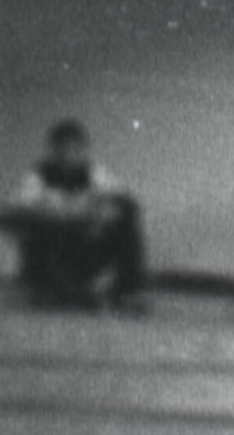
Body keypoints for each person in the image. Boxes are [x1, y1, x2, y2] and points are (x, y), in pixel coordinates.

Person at [9, 119, 145, 313]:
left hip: (85, 245)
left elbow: (126, 202)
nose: (69, 155)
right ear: (54, 151)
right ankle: (51, 289)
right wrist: (54, 217)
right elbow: (20, 208)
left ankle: (127, 291)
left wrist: (106, 213)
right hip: (55, 245)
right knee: (34, 233)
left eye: (75, 149)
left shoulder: (94, 173)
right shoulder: (39, 176)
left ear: (83, 150)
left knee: (126, 227)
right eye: (63, 149)